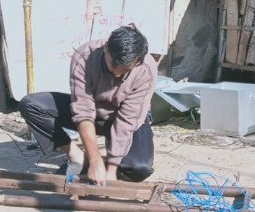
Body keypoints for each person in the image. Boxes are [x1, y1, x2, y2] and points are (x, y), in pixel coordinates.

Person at [18, 24, 157, 184]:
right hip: (93, 113)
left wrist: (111, 169)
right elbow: (83, 111)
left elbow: (127, 121)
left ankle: (107, 163)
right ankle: (77, 156)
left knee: (139, 168)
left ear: (137, 62)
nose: (117, 73)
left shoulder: (145, 68)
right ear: (106, 48)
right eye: (113, 66)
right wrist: (94, 159)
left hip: (125, 119)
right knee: (31, 105)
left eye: (125, 70)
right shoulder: (84, 56)